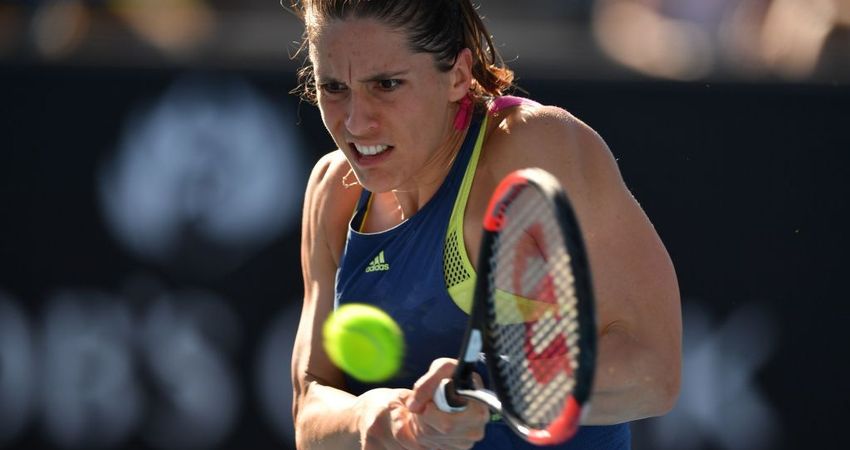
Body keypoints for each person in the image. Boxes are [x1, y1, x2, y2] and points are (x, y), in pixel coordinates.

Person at [288, 1, 682, 448]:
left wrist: (485, 387)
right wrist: (374, 418)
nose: (356, 122)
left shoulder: (536, 148)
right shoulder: (332, 189)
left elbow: (653, 373)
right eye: (334, 87)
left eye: (387, 84)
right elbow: (309, 411)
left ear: (458, 76)